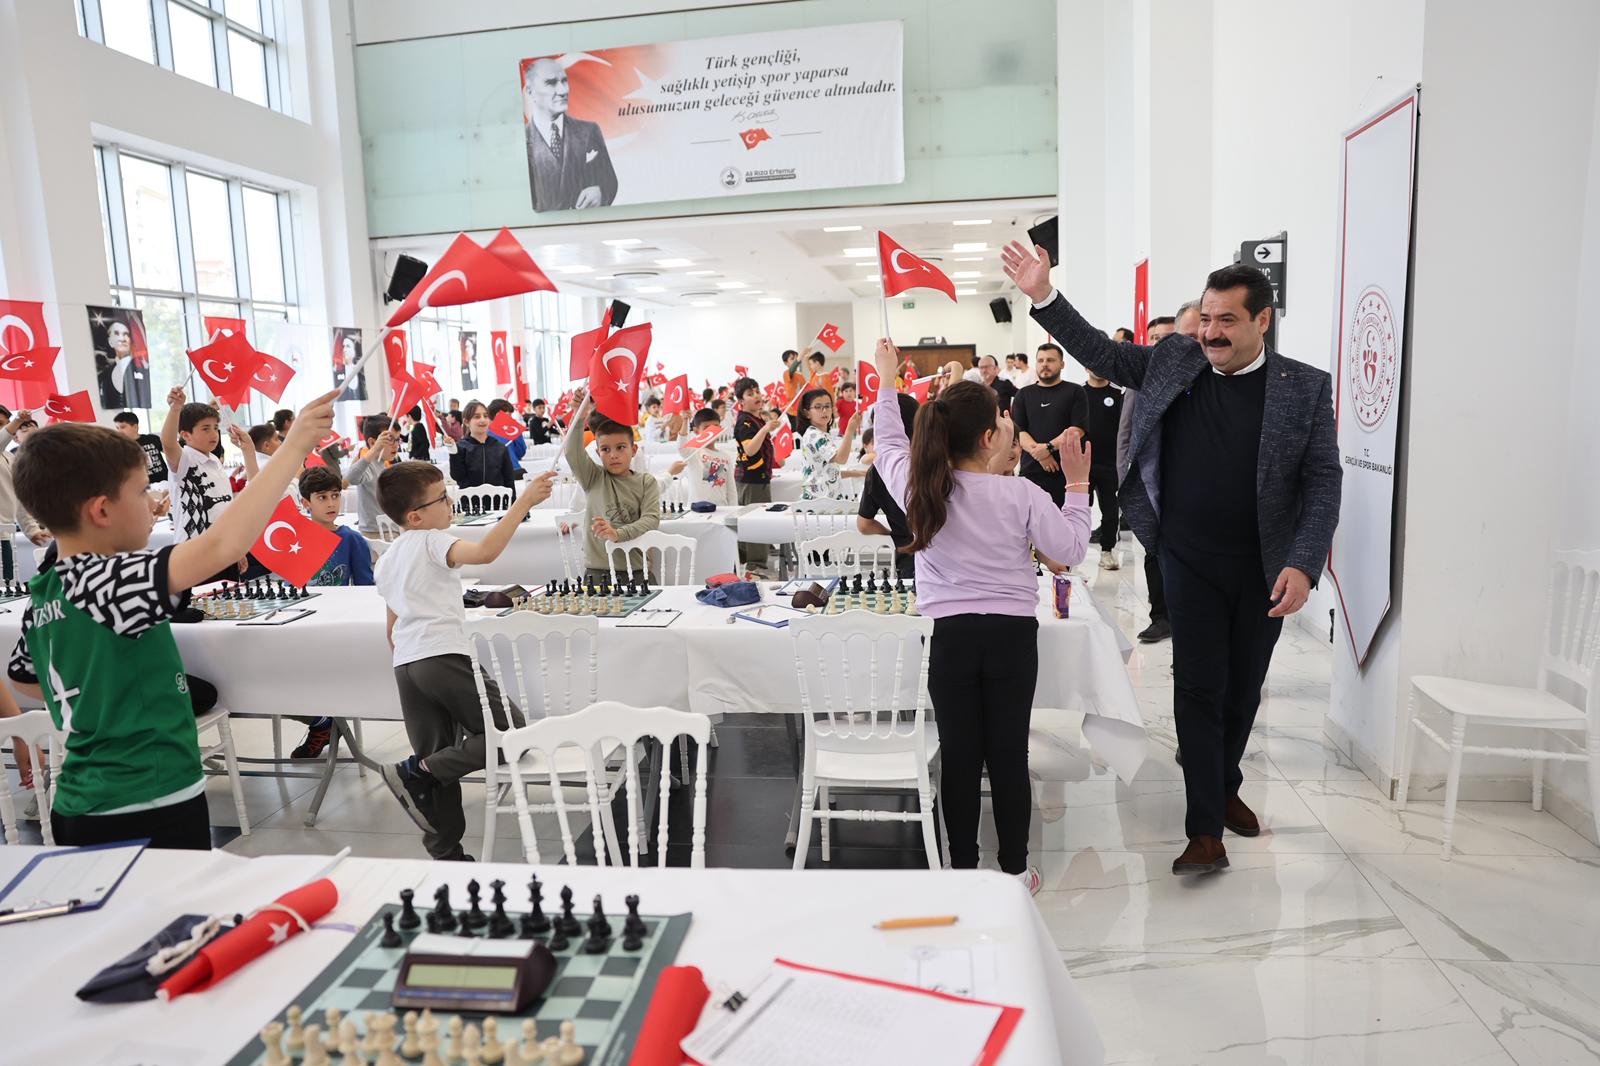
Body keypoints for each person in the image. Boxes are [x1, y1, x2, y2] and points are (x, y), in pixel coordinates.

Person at [1005, 242, 1342, 876]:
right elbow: (1103, 353)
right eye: (1206, 318)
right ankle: (1204, 828)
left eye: (1227, 321)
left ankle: (1223, 783)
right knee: (1197, 685)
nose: (1211, 333)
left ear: (1262, 320)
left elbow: (1323, 481)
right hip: (1187, 558)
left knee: (1243, 687)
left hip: (1265, 568)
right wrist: (1044, 295)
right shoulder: (1175, 360)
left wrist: (1303, 561)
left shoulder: (1303, 387)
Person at [5, 389, 338, 849]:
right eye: (142, 491)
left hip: (83, 800)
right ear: (101, 510)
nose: (153, 502)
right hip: (148, 799)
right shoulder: (110, 580)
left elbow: (23, 676)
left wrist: (102, 694)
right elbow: (221, 545)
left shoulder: (49, 586)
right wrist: (295, 446)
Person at [868, 337, 1091, 894]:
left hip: (949, 639)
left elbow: (889, 441)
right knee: (1009, 756)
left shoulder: (921, 488)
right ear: (989, 438)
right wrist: (1077, 484)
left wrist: (886, 378)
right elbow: (1071, 550)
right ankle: (1015, 871)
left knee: (961, 757)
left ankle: (962, 872)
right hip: (1012, 637)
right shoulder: (1021, 495)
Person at [374, 461, 555, 860]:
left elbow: (391, 629)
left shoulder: (387, 559)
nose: (450, 502)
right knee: (512, 733)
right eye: (442, 498)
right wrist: (524, 501)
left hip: (407, 664)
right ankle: (414, 772)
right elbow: (485, 552)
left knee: (436, 762)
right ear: (415, 516)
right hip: (443, 655)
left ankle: (447, 854)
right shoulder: (432, 540)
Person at [285, 464, 375, 760]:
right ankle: (321, 722)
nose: (330, 503)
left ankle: (322, 723)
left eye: (335, 495)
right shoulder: (296, 537)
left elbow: (365, 587)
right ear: (306, 502)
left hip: (336, 624)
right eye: (322, 497)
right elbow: (289, 583)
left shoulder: (351, 539)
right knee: (278, 675)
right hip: (300, 622)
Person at [1121, 306, 1199, 643]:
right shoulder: (1142, 379)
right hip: (1156, 490)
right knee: (1154, 558)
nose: (1161, 346)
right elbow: (1126, 433)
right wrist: (1124, 480)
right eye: (1155, 339)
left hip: (1196, 497)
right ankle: (1160, 617)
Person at [563, 390, 660, 579]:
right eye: (606, 449)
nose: (613, 455)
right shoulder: (593, 477)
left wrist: (618, 533)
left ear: (634, 450)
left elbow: (651, 519)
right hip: (598, 571)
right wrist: (578, 415)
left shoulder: (646, 482)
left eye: (620, 447)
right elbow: (572, 453)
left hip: (637, 570)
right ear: (598, 453)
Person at [160, 388, 257, 556]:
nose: (214, 434)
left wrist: (234, 546)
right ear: (186, 435)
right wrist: (176, 408)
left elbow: (226, 508)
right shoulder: (185, 460)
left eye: (215, 427)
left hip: (222, 548)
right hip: (193, 552)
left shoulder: (215, 461)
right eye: (206, 429)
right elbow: (168, 442)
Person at [521, 56, 618, 211]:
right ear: (530, 92)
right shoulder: (522, 142)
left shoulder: (589, 131)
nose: (563, 90)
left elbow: (610, 180)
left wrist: (600, 192)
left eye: (564, 81)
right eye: (551, 83)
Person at [1011, 343, 1088, 506]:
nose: (1044, 364)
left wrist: (1048, 448)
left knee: (1065, 519)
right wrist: (1041, 454)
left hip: (1066, 473)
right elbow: (1019, 431)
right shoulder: (1023, 394)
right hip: (1031, 471)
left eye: (1050, 360)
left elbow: (1077, 429)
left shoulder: (1075, 391)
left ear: (1062, 364)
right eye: (1040, 360)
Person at [857, 392, 921, 579]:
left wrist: (893, 532)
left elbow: (864, 524)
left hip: (907, 555)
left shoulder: (878, 470)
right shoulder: (936, 461)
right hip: (946, 556)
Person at [732, 377, 784, 572]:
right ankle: (755, 567)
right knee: (755, 521)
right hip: (751, 479)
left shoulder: (757, 418)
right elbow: (750, 450)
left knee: (759, 519)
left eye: (757, 392)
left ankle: (756, 560)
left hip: (760, 477)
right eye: (750, 394)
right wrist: (765, 428)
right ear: (741, 401)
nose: (756, 396)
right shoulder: (744, 422)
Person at [1082, 369, 1124, 569]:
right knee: (1080, 509)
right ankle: (1072, 552)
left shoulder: (1118, 394)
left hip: (1110, 464)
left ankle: (1107, 551)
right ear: (1085, 367)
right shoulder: (1078, 394)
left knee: (1110, 511)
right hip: (1083, 465)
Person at [797, 388, 863, 499]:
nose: (824, 410)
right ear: (807, 413)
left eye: (827, 406)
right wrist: (850, 429)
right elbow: (841, 459)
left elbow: (828, 471)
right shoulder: (815, 436)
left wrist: (855, 473)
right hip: (821, 501)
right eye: (818, 407)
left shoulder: (818, 433)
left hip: (823, 499)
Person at [0, 408, 48, 550]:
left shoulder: (10, 458)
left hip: (5, 534)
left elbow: (18, 496)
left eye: (6, 424)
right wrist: (18, 420)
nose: (7, 429)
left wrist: (31, 530)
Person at [668, 408, 737, 506]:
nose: (711, 432)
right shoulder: (693, 452)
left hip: (722, 508)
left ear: (720, 428)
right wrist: (685, 421)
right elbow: (681, 447)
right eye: (706, 428)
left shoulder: (726, 456)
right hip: (697, 509)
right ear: (696, 430)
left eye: (715, 427)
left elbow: (731, 489)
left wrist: (733, 508)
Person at [347, 416, 402, 536]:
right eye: (390, 439)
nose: (396, 445)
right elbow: (351, 477)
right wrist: (374, 450)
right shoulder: (369, 466)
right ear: (372, 442)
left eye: (397, 440)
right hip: (377, 533)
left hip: (392, 529)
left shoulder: (385, 464)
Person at [451, 401, 518, 490]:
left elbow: (509, 480)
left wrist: (512, 498)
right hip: (470, 497)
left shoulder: (500, 447)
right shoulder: (461, 447)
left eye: (485, 416)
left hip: (498, 498)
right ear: (466, 422)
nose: (482, 420)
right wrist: (453, 453)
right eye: (477, 417)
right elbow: (457, 476)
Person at [114, 410, 168, 484]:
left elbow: (170, 452)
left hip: (164, 481)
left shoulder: (152, 439)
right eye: (117, 428)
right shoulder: (121, 447)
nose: (119, 431)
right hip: (142, 486)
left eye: (123, 427)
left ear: (135, 427)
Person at [484, 398, 527, 472]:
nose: (511, 419)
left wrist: (517, 433)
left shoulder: (485, 433)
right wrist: (517, 433)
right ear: (498, 415)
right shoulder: (489, 434)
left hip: (509, 471)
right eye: (508, 416)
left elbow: (520, 453)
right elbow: (520, 453)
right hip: (508, 471)